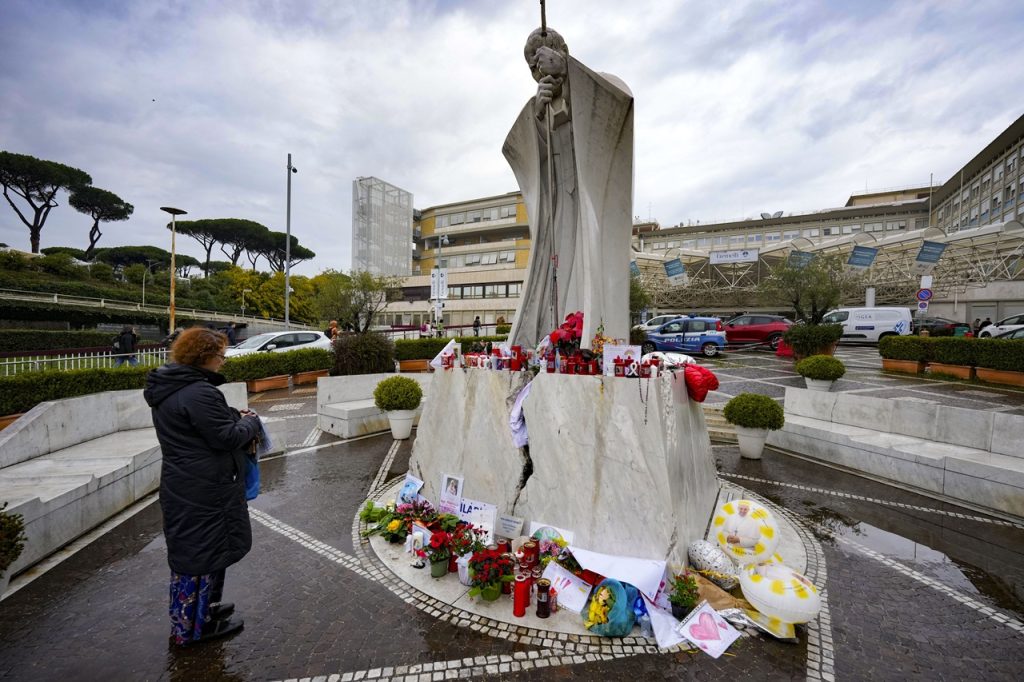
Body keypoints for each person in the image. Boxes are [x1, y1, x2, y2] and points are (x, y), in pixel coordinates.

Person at [504, 27, 633, 351]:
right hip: (560, 203)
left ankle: (590, 339)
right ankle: (559, 338)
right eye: (533, 67)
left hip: (591, 196)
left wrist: (566, 72)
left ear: (560, 52)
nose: (539, 70)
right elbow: (532, 158)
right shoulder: (541, 104)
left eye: (542, 60)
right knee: (558, 270)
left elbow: (619, 102)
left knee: (587, 266)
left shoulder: (595, 85)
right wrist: (537, 117)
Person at [144, 327, 262, 645]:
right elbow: (226, 437)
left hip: (187, 483)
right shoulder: (198, 392)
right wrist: (250, 421)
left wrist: (230, 416)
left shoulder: (173, 388)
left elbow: (204, 428)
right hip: (204, 488)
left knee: (203, 554)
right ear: (205, 356)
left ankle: (203, 612)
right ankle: (192, 629)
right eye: (220, 355)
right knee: (200, 557)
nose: (223, 361)